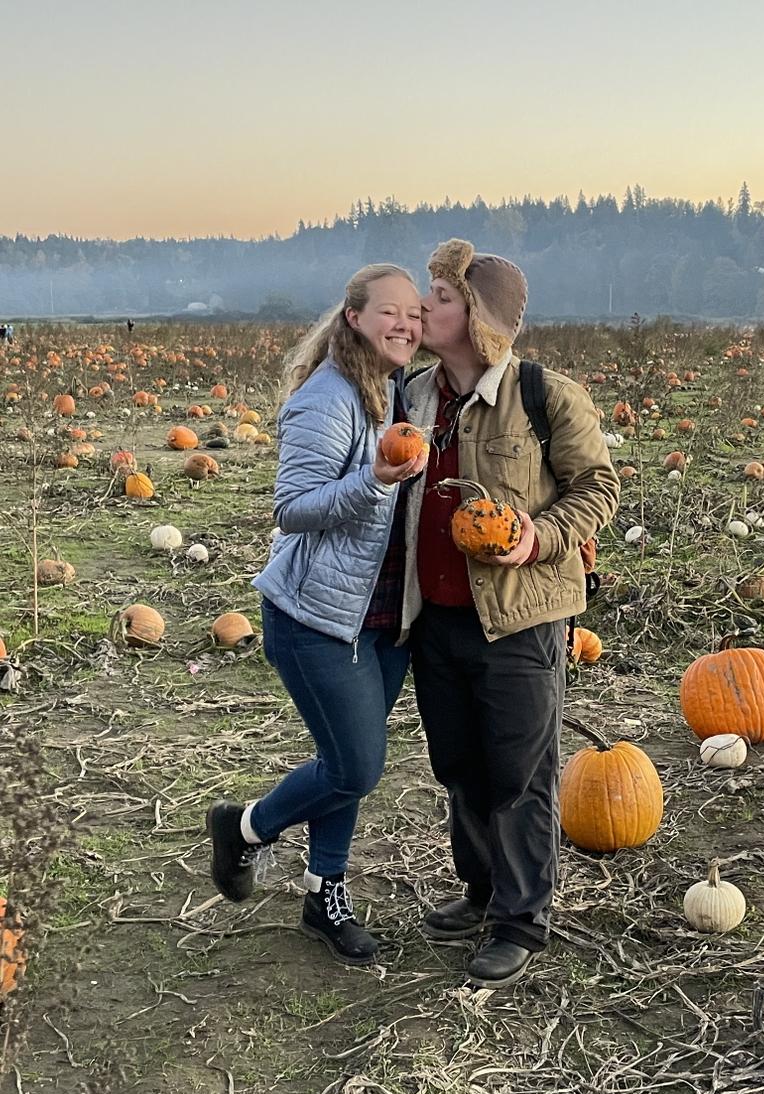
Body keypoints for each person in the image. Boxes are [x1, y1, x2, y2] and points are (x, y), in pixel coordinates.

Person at [400, 239, 620, 988]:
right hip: (436, 617)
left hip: (520, 617)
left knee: (518, 771)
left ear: (480, 318)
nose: (425, 305)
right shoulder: (415, 397)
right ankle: (482, 890)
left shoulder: (542, 394)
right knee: (458, 763)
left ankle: (523, 918)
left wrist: (541, 536)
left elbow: (598, 488)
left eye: (441, 295)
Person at [206, 263, 427, 965]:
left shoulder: (398, 391)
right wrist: (373, 480)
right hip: (315, 619)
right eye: (390, 312)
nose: (406, 325)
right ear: (355, 317)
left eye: (416, 315)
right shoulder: (327, 399)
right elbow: (293, 508)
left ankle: (322, 894)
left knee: (344, 760)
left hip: (385, 617)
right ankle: (243, 829)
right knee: (357, 766)